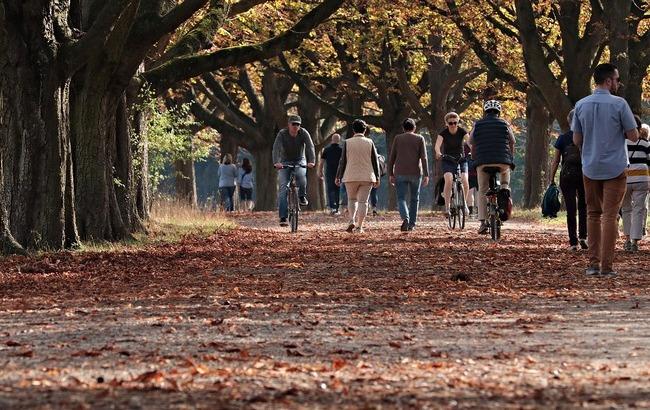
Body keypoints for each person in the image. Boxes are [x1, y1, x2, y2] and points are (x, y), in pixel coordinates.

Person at [572, 63, 639, 276]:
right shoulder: (620, 105)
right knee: (610, 216)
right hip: (616, 166)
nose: (618, 83)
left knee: (593, 214)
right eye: (617, 80)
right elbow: (634, 136)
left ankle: (592, 264)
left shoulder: (581, 105)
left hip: (590, 166)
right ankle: (607, 267)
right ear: (609, 81)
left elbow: (576, 139)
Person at [469, 100, 516, 234]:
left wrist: (474, 157)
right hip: (503, 161)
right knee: (505, 183)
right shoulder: (505, 124)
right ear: (498, 112)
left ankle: (483, 223)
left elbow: (470, 142)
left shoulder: (477, 125)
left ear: (485, 111)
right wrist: (510, 157)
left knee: (483, 190)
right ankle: (503, 203)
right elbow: (512, 141)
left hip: (483, 161)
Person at [549, 109, 588, 251]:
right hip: (584, 174)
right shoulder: (586, 137)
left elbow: (555, 161)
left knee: (571, 209)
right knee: (584, 206)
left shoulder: (562, 138)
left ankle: (573, 242)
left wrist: (551, 178)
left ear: (569, 121)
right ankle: (583, 236)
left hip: (567, 175)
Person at [335, 119, 381, 233]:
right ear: (365, 130)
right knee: (363, 202)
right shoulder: (370, 142)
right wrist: (378, 176)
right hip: (367, 176)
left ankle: (351, 220)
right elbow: (375, 161)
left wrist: (338, 176)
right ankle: (360, 226)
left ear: (353, 130)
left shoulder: (347, 142)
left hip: (350, 175)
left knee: (351, 199)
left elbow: (343, 161)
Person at [273, 115, 315, 226]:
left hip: (300, 160)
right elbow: (276, 148)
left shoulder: (304, 133)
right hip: (285, 161)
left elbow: (310, 147)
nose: (296, 126)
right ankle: (283, 217)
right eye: (294, 124)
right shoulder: (282, 134)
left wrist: (312, 161)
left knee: (301, 176)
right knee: (283, 188)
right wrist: (276, 162)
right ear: (289, 125)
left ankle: (301, 196)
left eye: (298, 124)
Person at [388, 118, 430, 231]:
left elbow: (392, 157)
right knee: (414, 199)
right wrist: (426, 174)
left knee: (401, 198)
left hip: (400, 172)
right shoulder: (420, 138)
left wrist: (390, 173)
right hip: (416, 172)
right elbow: (424, 158)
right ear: (414, 128)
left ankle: (405, 218)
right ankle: (412, 224)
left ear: (403, 128)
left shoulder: (397, 138)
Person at [621, 116, 649, 252]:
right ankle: (635, 242)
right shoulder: (645, 143)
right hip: (642, 178)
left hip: (625, 178)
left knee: (626, 209)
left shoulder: (621, 143)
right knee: (639, 209)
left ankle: (626, 240)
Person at [435, 112, 470, 219]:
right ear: (447, 123)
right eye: (451, 123)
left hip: (461, 159)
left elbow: (469, 142)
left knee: (464, 179)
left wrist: (473, 151)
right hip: (448, 159)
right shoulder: (443, 133)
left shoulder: (462, 131)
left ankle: (464, 204)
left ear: (458, 122)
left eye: (455, 122)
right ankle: (447, 207)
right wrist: (439, 153)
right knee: (449, 179)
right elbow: (437, 146)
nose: (453, 125)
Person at [318, 133, 343, 215]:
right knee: (337, 189)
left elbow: (321, 162)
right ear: (339, 140)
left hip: (329, 172)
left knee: (330, 189)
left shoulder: (327, 149)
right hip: (339, 172)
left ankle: (332, 207)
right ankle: (337, 208)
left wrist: (320, 171)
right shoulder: (341, 150)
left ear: (332, 140)